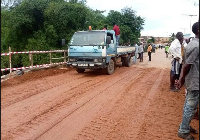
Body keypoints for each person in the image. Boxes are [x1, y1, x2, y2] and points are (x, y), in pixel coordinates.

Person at [177, 22, 199, 140]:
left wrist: (182, 79)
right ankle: (183, 131)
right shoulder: (195, 46)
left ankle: (185, 126)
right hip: (195, 81)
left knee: (188, 106)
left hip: (193, 80)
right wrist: (181, 79)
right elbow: (186, 65)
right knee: (191, 107)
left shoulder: (192, 44)